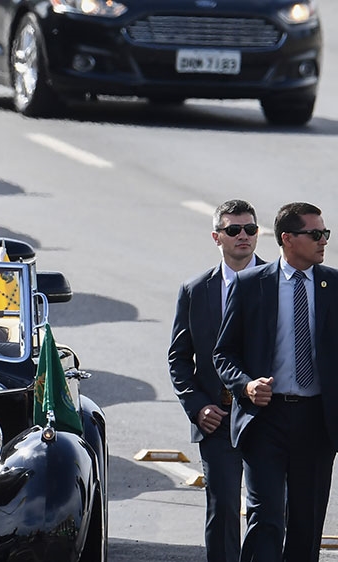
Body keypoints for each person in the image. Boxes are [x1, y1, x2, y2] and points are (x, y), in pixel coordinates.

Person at [213, 202, 338, 562]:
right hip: (265, 418)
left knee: (306, 522)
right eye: (315, 235)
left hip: (316, 421)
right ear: (287, 239)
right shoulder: (252, 285)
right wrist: (246, 385)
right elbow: (224, 353)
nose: (323, 241)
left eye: (324, 234)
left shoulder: (333, 286)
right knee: (265, 518)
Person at [168, 199, 264, 562]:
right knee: (223, 506)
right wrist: (197, 407)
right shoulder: (195, 290)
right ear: (216, 237)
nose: (244, 236)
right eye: (234, 230)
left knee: (268, 508)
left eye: (251, 229)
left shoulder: (275, 283)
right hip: (218, 418)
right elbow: (178, 358)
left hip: (265, 416)